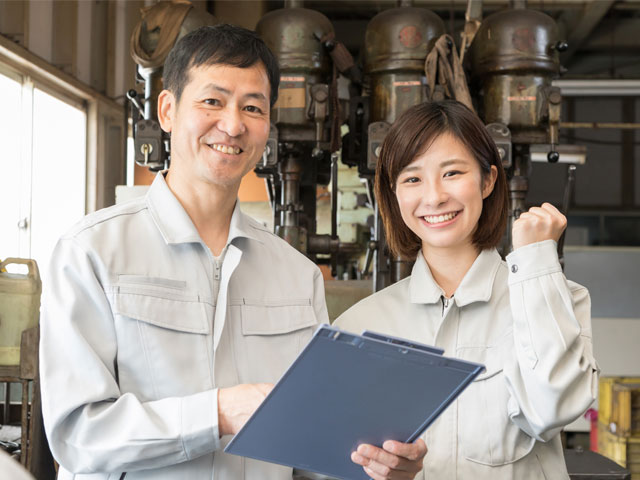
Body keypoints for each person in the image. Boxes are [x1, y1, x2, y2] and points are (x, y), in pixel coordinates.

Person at [39, 24, 425, 480]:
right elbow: (78, 435)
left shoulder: (296, 276)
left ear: (268, 124)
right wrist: (217, 413)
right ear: (167, 109)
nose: (233, 124)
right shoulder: (92, 254)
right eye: (212, 101)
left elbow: (311, 450)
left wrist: (376, 468)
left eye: (253, 107)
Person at [335, 100, 598, 479]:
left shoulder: (560, 298)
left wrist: (538, 263)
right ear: (394, 195)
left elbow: (552, 409)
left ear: (488, 180)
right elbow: (327, 461)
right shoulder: (360, 325)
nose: (434, 196)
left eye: (452, 173)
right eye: (412, 179)